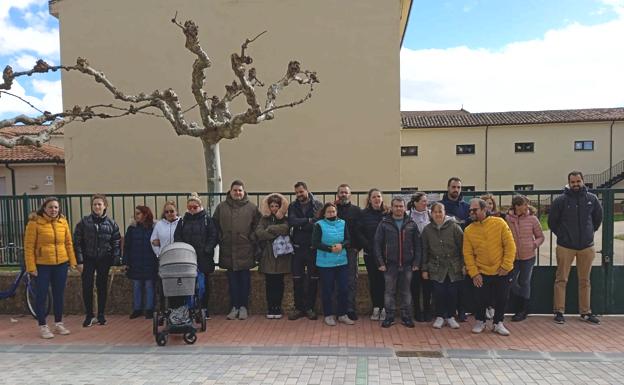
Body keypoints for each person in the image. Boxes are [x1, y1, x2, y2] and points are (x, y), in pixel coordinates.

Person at [549, 171, 603, 325]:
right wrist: (563, 235)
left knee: (585, 280)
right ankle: (559, 311)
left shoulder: (592, 199)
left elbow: (598, 218)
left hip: (586, 247)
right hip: (565, 246)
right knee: (561, 279)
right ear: (568, 183)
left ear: (583, 181)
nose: (576, 184)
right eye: (573, 182)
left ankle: (586, 312)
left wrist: (589, 233)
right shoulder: (560, 200)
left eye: (578, 181)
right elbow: (553, 221)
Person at [24, 197, 80, 339]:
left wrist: (72, 262)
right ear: (44, 208)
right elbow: (29, 247)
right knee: (41, 295)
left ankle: (58, 323)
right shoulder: (34, 223)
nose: (53, 210)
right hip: (42, 266)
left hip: (61, 264)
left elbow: (68, 243)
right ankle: (43, 326)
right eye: (50, 207)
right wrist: (31, 267)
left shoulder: (63, 222)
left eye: (56, 207)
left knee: (59, 295)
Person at [463, 198, 516, 336]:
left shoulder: (499, 223)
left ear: (484, 209)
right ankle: (480, 321)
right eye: (470, 210)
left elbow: (510, 246)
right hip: (481, 271)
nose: (471, 212)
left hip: (501, 270)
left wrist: (506, 265)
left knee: (502, 298)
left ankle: (498, 323)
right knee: (480, 298)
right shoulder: (468, 230)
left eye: (475, 210)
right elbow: (467, 253)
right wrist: (474, 273)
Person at [213, 180, 261, 320]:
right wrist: (221, 237)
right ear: (230, 191)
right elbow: (214, 225)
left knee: (244, 280)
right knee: (232, 281)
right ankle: (234, 307)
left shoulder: (252, 208)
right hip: (228, 249)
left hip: (245, 250)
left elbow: (257, 225)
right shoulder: (221, 207)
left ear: (244, 191)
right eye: (235, 190)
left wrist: (250, 238)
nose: (237, 193)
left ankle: (244, 307)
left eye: (240, 190)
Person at [73, 194, 121, 327]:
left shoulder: (112, 224)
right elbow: (77, 242)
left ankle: (101, 314)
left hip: (104, 259)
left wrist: (116, 260)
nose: (97, 207)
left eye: (100, 204)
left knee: (102, 286)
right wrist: (79, 261)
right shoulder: (84, 222)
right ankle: (89, 315)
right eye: (95, 204)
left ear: (105, 206)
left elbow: (116, 242)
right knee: (87, 286)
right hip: (88, 259)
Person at [374, 197, 421, 329]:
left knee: (406, 292)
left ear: (405, 208)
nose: (399, 208)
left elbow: (418, 245)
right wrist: (380, 262)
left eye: (401, 206)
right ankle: (389, 317)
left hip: (407, 265)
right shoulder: (384, 223)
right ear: (392, 207)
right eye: (396, 206)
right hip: (390, 265)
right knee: (389, 292)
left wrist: (416, 261)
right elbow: (377, 244)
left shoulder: (411, 223)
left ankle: (406, 317)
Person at [173, 194, 218, 317]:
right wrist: (183, 250)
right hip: (187, 258)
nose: (192, 210)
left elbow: (213, 236)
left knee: (203, 285)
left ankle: (203, 308)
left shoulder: (207, 220)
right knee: (187, 284)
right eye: (190, 207)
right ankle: (189, 307)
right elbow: (177, 236)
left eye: (195, 207)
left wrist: (207, 249)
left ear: (200, 206)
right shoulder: (182, 221)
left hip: (203, 258)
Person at [420, 202, 464, 329]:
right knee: (439, 292)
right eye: (435, 212)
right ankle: (440, 316)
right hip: (436, 266)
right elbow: (425, 250)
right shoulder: (427, 230)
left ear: (445, 213)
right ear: (431, 214)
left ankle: (450, 316)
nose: (438, 214)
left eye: (440, 211)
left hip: (453, 266)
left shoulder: (454, 227)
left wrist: (464, 264)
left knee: (452, 292)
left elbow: (463, 247)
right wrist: (424, 268)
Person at [313, 202, 354, 326]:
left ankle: (342, 314)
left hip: (341, 261)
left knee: (343, 289)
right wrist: (329, 249)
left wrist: (342, 245)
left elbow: (348, 239)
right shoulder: (319, 225)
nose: (332, 213)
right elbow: (315, 243)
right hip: (325, 263)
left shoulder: (343, 223)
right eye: (329, 212)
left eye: (333, 211)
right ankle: (328, 315)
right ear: (324, 213)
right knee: (327, 289)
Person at [287, 182, 323, 321]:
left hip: (312, 248)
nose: (299, 195)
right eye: (296, 193)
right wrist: (307, 221)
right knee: (297, 279)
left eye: (301, 192)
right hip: (297, 248)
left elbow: (317, 222)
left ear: (307, 190)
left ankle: (310, 308)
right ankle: (298, 308)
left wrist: (302, 223)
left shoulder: (318, 205)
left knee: (313, 279)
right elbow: (292, 221)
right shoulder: (292, 206)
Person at [506, 195, 545, 322]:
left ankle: (523, 309)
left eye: (527, 204)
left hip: (528, 257)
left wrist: (534, 244)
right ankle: (519, 304)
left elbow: (540, 236)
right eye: (524, 204)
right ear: (517, 206)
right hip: (512, 257)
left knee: (525, 282)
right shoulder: (507, 219)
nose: (526, 206)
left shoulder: (532, 219)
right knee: (510, 282)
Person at [255, 193, 292, 319]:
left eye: (277, 206)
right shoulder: (263, 219)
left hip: (281, 257)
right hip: (268, 256)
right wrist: (275, 232)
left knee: (279, 283)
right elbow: (259, 233)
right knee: (269, 283)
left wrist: (270, 229)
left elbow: (286, 229)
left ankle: (278, 307)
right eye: (272, 206)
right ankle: (271, 307)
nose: (274, 208)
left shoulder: (285, 219)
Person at [440, 177, 471, 322]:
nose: (456, 190)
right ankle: (444, 312)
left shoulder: (466, 207)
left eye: (459, 187)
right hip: (445, 251)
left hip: (463, 250)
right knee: (446, 284)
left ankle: (462, 310)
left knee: (462, 284)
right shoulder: (440, 206)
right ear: (448, 187)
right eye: (453, 187)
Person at [358, 188, 388, 321]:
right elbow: (359, 232)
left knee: (386, 282)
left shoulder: (388, 213)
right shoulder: (363, 214)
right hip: (370, 254)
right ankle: (376, 307)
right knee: (374, 281)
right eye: (374, 197)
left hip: (386, 255)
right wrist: (369, 246)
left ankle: (385, 308)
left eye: (379, 196)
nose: (377, 199)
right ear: (369, 200)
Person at [123, 206, 158, 319]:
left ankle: (149, 309)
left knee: (149, 286)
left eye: (138, 213)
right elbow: (127, 246)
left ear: (145, 214)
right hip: (135, 261)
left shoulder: (153, 228)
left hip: (150, 261)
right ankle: (137, 309)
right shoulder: (132, 229)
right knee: (137, 285)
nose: (136, 216)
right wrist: (126, 262)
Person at [335, 184, 363, 321]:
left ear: (350, 194)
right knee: (336, 281)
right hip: (335, 251)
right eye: (341, 192)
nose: (343, 194)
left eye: (346, 192)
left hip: (351, 250)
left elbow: (361, 231)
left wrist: (358, 247)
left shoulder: (357, 211)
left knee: (351, 280)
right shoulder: (332, 210)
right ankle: (338, 309)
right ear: (337, 194)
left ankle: (350, 309)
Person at [408, 192, 433, 322]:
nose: (425, 203)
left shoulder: (430, 214)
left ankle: (428, 310)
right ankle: (417, 310)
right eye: (423, 201)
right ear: (415, 203)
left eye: (426, 201)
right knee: (415, 285)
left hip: (428, 254)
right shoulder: (408, 215)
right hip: (413, 255)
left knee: (428, 285)